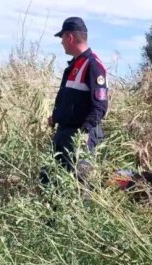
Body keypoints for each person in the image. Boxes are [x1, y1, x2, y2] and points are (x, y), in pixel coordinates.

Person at [41, 17, 109, 186]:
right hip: (64, 134)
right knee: (49, 181)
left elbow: (100, 106)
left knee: (79, 188)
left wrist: (83, 133)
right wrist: (57, 117)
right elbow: (73, 101)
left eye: (62, 38)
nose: (61, 43)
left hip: (79, 136)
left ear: (70, 38)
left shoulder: (93, 65)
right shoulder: (76, 65)